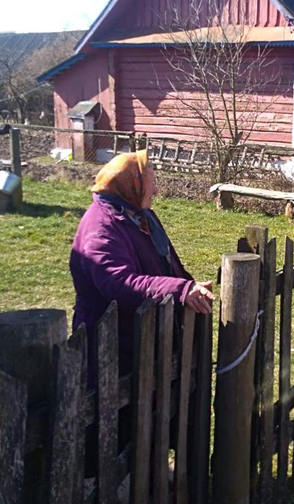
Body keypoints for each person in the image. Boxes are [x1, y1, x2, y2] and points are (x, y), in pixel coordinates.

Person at [70, 149, 214, 382]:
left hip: (146, 338)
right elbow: (119, 283)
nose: (156, 190)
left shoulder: (140, 215)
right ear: (130, 185)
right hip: (113, 349)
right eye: (152, 184)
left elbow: (167, 262)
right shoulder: (101, 227)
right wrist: (180, 290)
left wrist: (190, 286)